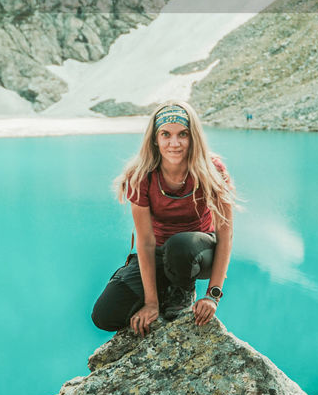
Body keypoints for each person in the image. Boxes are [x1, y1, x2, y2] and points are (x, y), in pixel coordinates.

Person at [91, 100, 235, 336]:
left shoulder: (212, 169)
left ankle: (183, 292)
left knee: (180, 246)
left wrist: (213, 295)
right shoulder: (141, 176)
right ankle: (161, 287)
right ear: (155, 139)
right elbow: (146, 242)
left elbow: (225, 233)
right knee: (104, 315)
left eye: (183, 135)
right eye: (165, 134)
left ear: (193, 137)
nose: (174, 143)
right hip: (157, 252)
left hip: (199, 251)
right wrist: (151, 303)